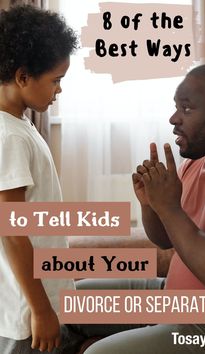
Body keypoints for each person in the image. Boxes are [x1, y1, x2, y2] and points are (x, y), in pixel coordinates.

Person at [77, 62, 205, 353]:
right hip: (171, 298)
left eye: (187, 109)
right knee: (66, 300)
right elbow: (166, 239)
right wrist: (151, 204)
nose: (174, 118)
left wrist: (169, 207)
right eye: (176, 107)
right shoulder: (195, 163)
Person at [0, 4, 86, 354]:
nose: (59, 90)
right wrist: (41, 310)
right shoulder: (9, 137)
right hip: (27, 315)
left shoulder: (20, 124)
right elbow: (14, 234)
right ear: (22, 77)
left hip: (42, 299)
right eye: (56, 80)